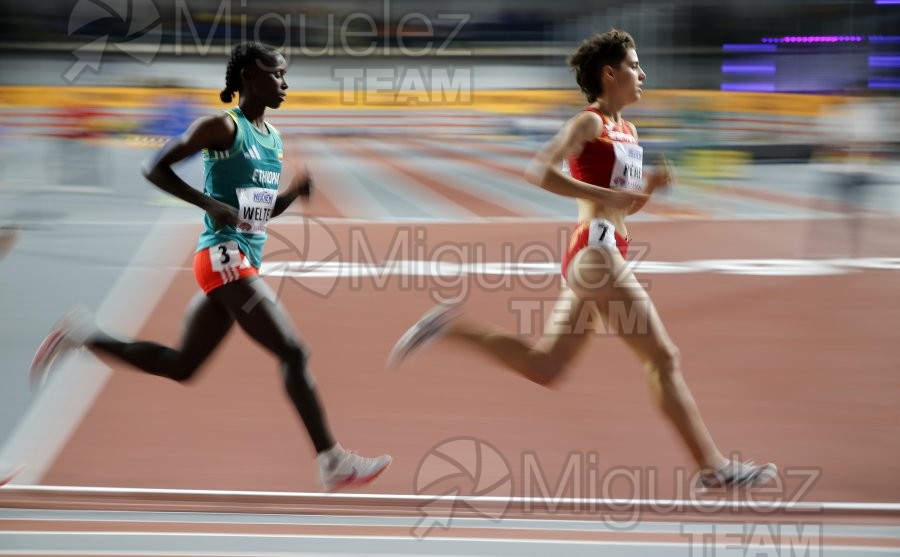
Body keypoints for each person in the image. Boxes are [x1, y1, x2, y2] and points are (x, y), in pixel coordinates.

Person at [389, 30, 776, 490]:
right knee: (663, 357)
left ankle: (450, 328)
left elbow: (624, 205)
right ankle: (713, 468)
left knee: (545, 367)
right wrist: (603, 194)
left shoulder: (629, 131)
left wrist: (646, 190)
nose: (643, 73)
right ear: (609, 74)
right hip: (595, 251)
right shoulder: (588, 123)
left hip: (607, 248)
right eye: (634, 65)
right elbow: (540, 170)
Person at [29, 42, 391, 492]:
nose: (285, 83)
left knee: (183, 366)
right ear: (248, 77)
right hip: (222, 256)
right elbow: (154, 166)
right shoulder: (222, 127)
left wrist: (294, 192)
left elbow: (256, 211)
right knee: (293, 352)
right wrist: (207, 203)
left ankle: (84, 335)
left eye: (285, 75)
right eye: (277, 74)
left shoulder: (272, 138)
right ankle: (332, 460)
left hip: (242, 260)